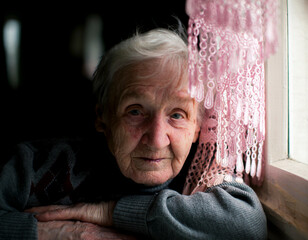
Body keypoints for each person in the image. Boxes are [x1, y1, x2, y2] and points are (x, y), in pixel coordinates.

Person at [0, 27, 267, 239]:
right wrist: (55, 233)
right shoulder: (36, 164)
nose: (156, 138)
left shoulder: (200, 177)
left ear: (197, 128)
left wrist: (109, 212)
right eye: (136, 112)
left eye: (177, 115)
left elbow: (247, 225)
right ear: (102, 117)